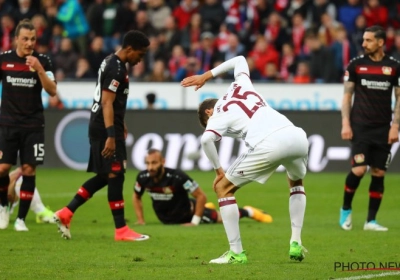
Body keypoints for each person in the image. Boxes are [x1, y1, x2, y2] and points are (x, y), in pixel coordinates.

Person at [181, 55, 309, 264]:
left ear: (208, 112)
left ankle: (236, 253)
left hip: (270, 143)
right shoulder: (240, 84)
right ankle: (296, 241)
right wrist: (206, 76)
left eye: (207, 121)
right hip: (296, 135)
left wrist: (218, 171)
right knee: (296, 182)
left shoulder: (218, 113)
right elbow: (239, 59)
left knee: (223, 188)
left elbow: (206, 140)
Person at [53, 30, 151, 241]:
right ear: (129, 49)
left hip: (105, 125)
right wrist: (111, 135)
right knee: (116, 174)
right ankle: (121, 230)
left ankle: (66, 212)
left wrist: (120, 122)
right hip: (104, 129)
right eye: (140, 54)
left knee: (106, 175)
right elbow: (106, 102)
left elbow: (111, 101)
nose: (140, 59)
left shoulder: (110, 61)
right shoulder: (116, 69)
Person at [339, 25, 400, 232]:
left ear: (380, 42)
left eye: (368, 40)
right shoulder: (356, 65)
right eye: (363, 40)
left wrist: (395, 126)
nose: (364, 44)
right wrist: (346, 123)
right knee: (358, 169)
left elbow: (399, 98)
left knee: (378, 172)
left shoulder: (394, 67)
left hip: (383, 128)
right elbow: (347, 96)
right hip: (360, 127)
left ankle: (370, 221)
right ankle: (346, 209)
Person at [0, 19, 57, 231]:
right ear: (16, 39)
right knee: (3, 168)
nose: (29, 43)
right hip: (7, 124)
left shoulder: (43, 61)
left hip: (33, 125)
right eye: (25, 38)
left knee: (29, 169)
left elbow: (52, 91)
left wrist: (40, 69)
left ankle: (21, 219)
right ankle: (3, 207)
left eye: (33, 39)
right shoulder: (4, 60)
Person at [133, 149, 273, 225]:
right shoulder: (143, 178)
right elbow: (136, 196)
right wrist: (140, 220)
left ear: (163, 162)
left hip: (188, 214)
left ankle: (249, 212)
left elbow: (201, 196)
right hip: (166, 220)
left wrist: (194, 222)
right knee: (209, 209)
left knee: (222, 218)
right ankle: (208, 207)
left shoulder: (178, 177)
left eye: (154, 163)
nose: (150, 167)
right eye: (147, 163)